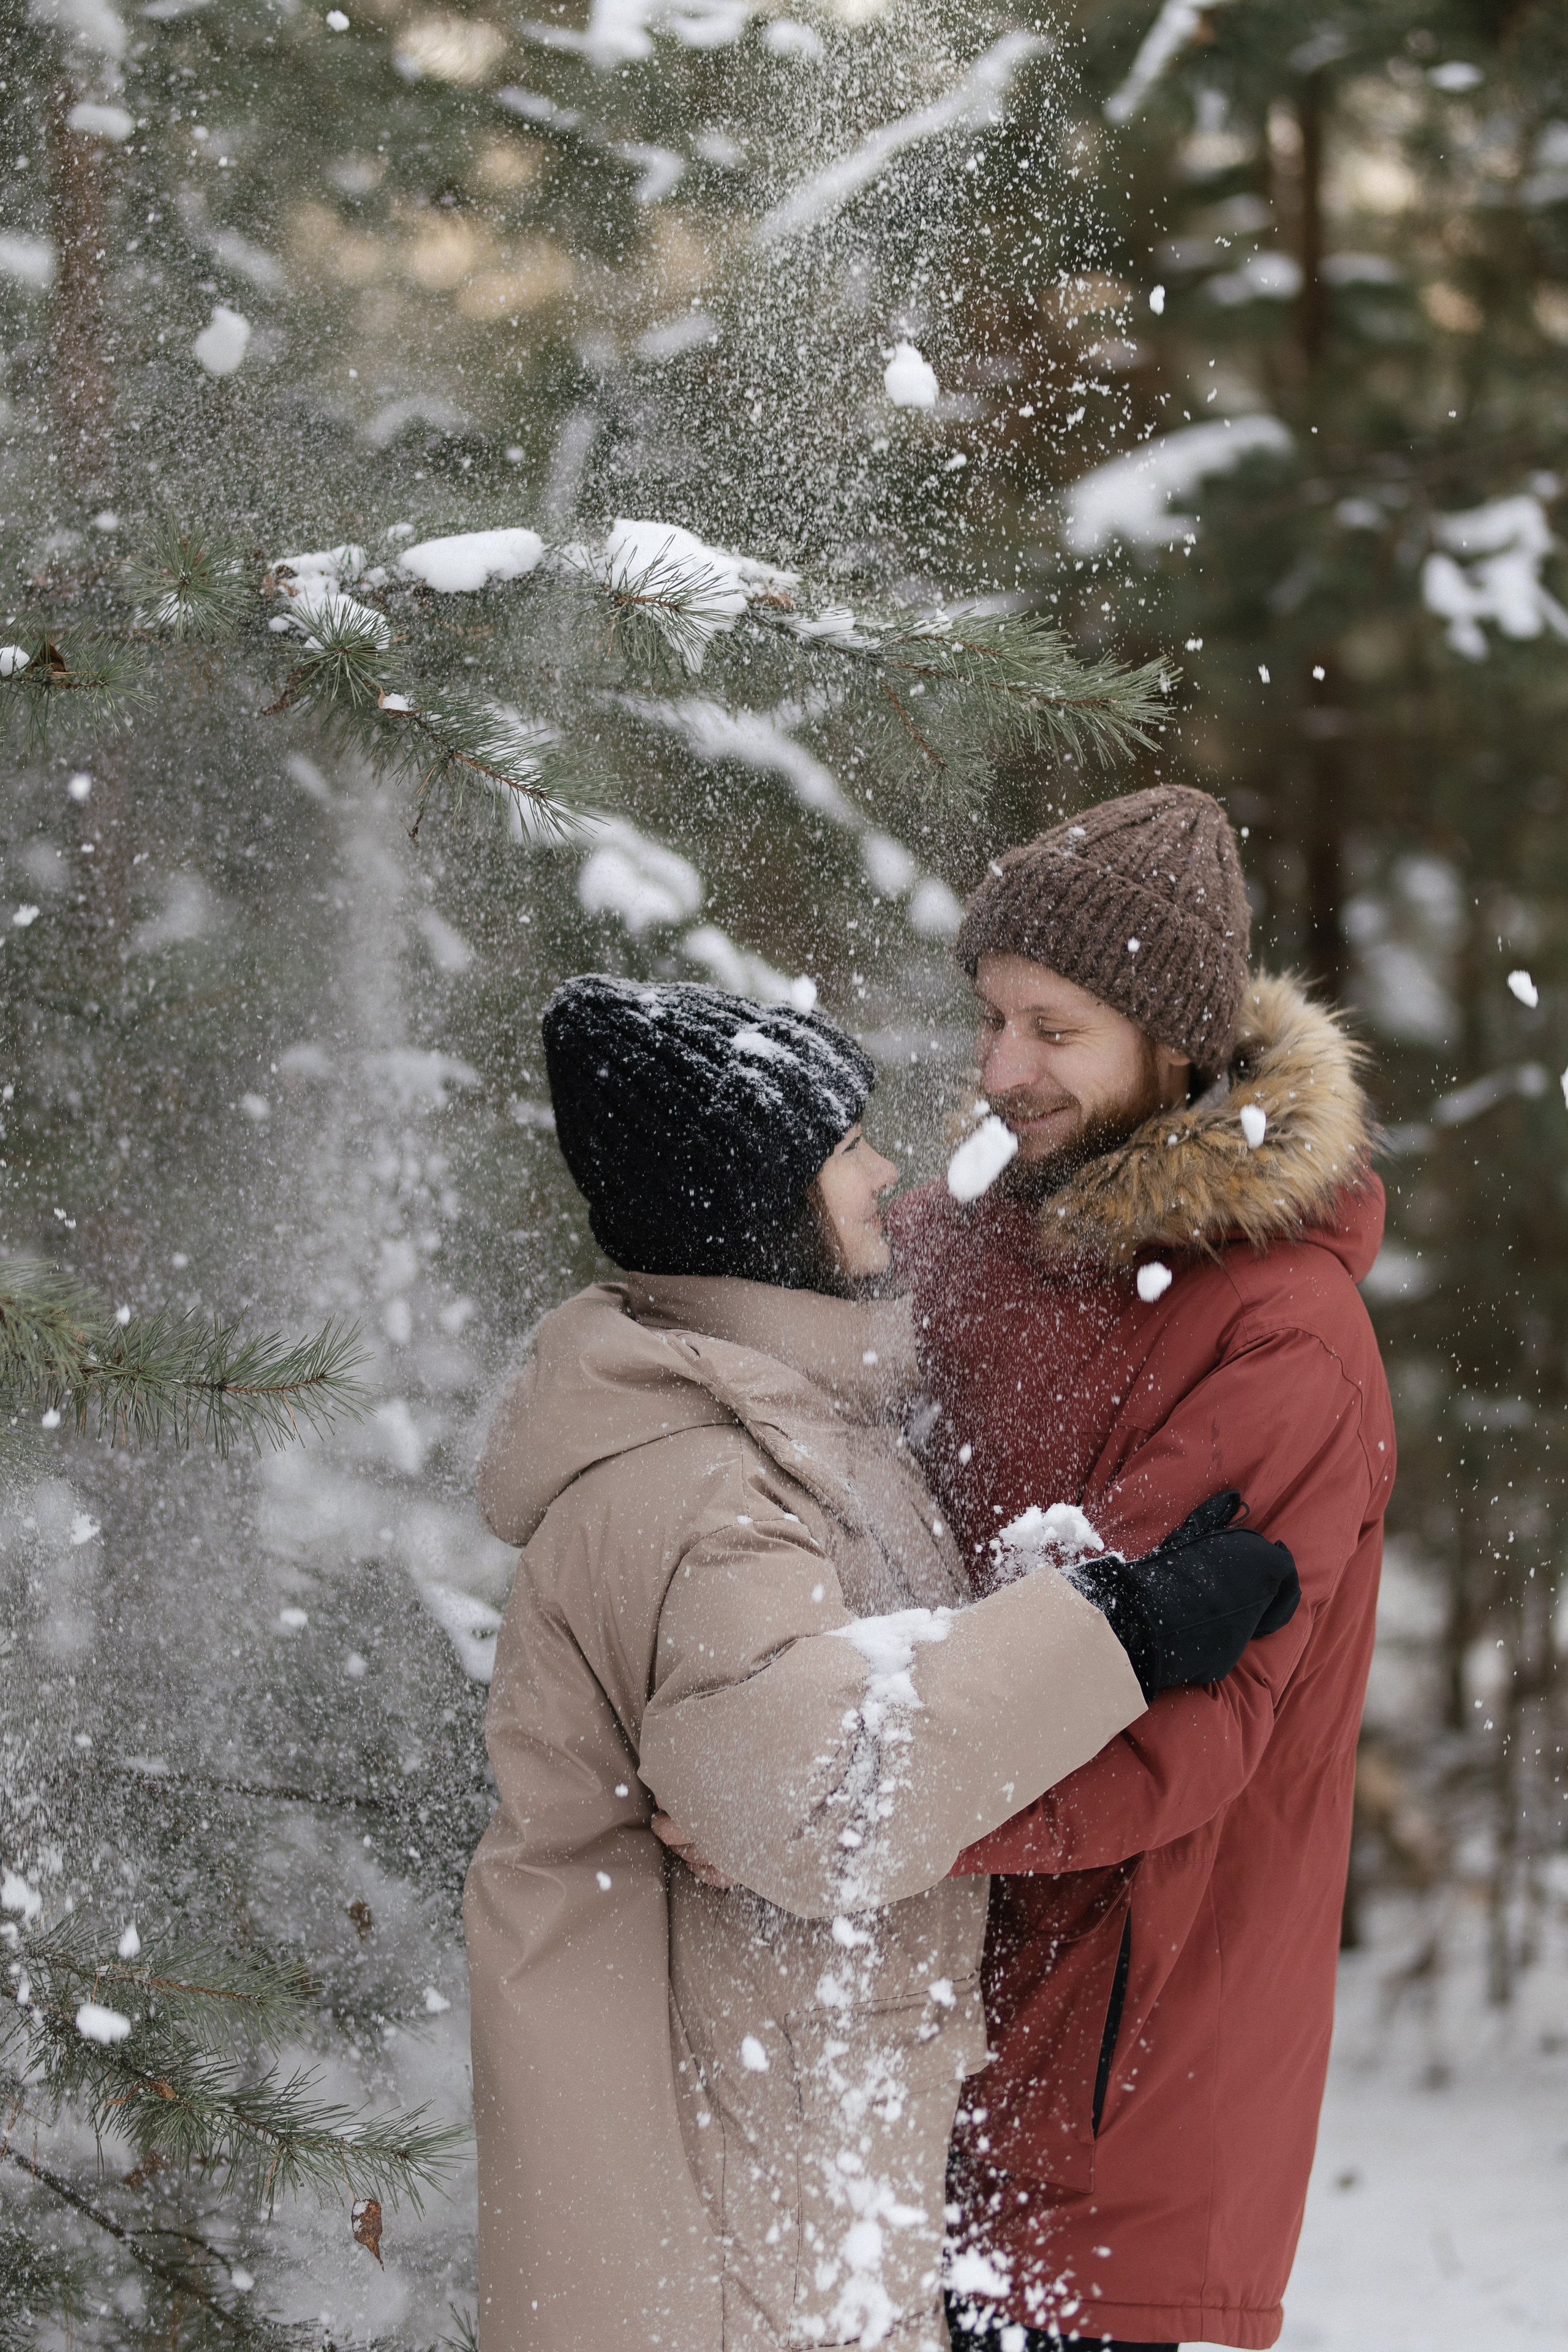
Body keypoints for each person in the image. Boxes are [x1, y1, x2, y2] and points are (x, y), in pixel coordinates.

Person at [463, 973, 1299, 2352]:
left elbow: (835, 1703)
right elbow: (821, 1800)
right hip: (729, 2223)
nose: (887, 1173)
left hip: (763, 2168)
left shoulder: (769, 1434)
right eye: (846, 1146)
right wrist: (1118, 1629)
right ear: (754, 1205)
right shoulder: (710, 1486)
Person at [888, 785, 1396, 2352]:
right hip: (912, 2036)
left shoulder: (1281, 1338)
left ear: (1172, 1045)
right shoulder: (958, 1244)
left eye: (1054, 1030)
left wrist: (832, 1813)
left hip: (1117, 2095)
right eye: (992, 1020)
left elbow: (1150, 1726)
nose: (1002, 1070)